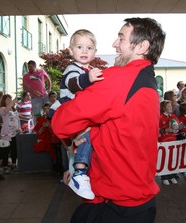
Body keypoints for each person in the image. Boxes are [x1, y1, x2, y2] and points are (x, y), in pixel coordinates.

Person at [52, 17, 165, 222]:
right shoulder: (148, 82)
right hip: (136, 201)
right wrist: (81, 165)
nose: (114, 44)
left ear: (141, 46)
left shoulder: (118, 79)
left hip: (118, 207)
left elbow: (61, 122)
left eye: (121, 38)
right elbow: (118, 129)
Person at [49, 29, 103, 200]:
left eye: (89, 47)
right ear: (71, 51)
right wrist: (88, 79)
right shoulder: (73, 69)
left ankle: (78, 169)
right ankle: (79, 173)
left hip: (82, 113)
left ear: (95, 52)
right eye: (80, 47)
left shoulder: (91, 70)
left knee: (88, 138)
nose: (85, 51)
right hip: (71, 110)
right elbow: (73, 84)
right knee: (88, 135)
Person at [158, 100, 180, 185]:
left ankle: (172, 175)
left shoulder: (173, 116)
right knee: (164, 159)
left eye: (171, 106)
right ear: (164, 107)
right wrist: (165, 130)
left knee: (172, 159)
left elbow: (181, 125)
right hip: (164, 141)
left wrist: (177, 127)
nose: (171, 108)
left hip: (173, 140)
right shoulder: (160, 117)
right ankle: (164, 177)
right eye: (168, 106)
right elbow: (156, 128)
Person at [0, 94, 21, 174]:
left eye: (10, 99)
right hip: (6, 134)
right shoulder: (2, 108)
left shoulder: (14, 110)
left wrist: (19, 128)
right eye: (7, 99)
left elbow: (17, 119)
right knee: (6, 150)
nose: (10, 101)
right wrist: (13, 102)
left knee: (14, 149)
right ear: (4, 101)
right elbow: (5, 111)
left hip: (14, 133)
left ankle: (14, 164)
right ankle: (5, 165)